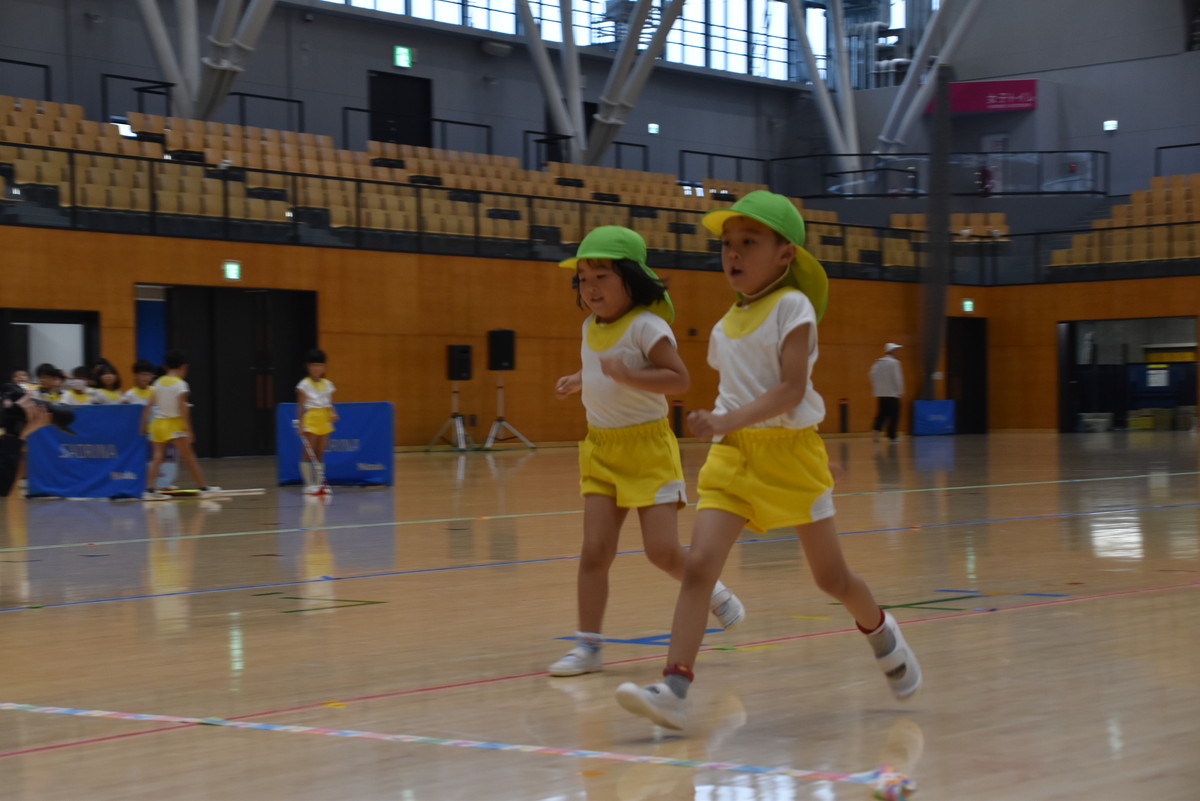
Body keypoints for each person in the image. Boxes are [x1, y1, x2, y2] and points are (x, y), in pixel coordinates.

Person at [615, 191, 921, 730]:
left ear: (785, 254)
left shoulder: (792, 307)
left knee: (832, 579)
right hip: (734, 456)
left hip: (789, 455)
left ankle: (880, 630)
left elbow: (790, 390)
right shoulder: (722, 327)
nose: (733, 253)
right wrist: (724, 426)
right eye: (727, 244)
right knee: (700, 568)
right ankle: (674, 689)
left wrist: (729, 421)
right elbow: (740, 390)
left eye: (749, 242)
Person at [547, 226, 745, 679]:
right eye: (583, 279)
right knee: (594, 551)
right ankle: (588, 646)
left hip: (648, 449)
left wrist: (626, 377)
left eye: (602, 276)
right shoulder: (589, 327)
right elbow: (602, 367)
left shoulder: (648, 326)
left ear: (631, 278)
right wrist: (580, 379)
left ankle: (713, 590)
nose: (590, 288)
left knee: (662, 551)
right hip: (601, 448)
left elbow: (679, 379)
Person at [140, 350, 217, 500]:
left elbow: (149, 405)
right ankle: (203, 488)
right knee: (189, 457)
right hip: (174, 424)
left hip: (157, 423)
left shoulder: (158, 382)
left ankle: (149, 490)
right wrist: (189, 430)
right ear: (183, 367)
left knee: (157, 457)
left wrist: (143, 424)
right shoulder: (181, 385)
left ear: (165, 366)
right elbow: (183, 409)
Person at [294, 349, 338, 496]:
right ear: (308, 366)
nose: (317, 368)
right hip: (311, 419)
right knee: (309, 452)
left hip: (324, 420)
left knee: (320, 452)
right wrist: (300, 424)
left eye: (320, 365)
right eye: (314, 365)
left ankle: (319, 484)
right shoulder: (304, 385)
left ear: (324, 367)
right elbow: (300, 406)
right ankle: (308, 484)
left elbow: (329, 403)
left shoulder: (328, 384)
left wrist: (333, 413)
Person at [869, 343, 904, 442]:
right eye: (896, 350)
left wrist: (878, 387)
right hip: (892, 394)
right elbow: (897, 378)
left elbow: (871, 374)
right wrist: (900, 391)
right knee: (894, 415)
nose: (898, 352)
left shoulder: (879, 362)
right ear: (892, 351)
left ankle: (876, 429)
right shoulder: (895, 363)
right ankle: (892, 436)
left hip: (881, 394)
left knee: (882, 413)